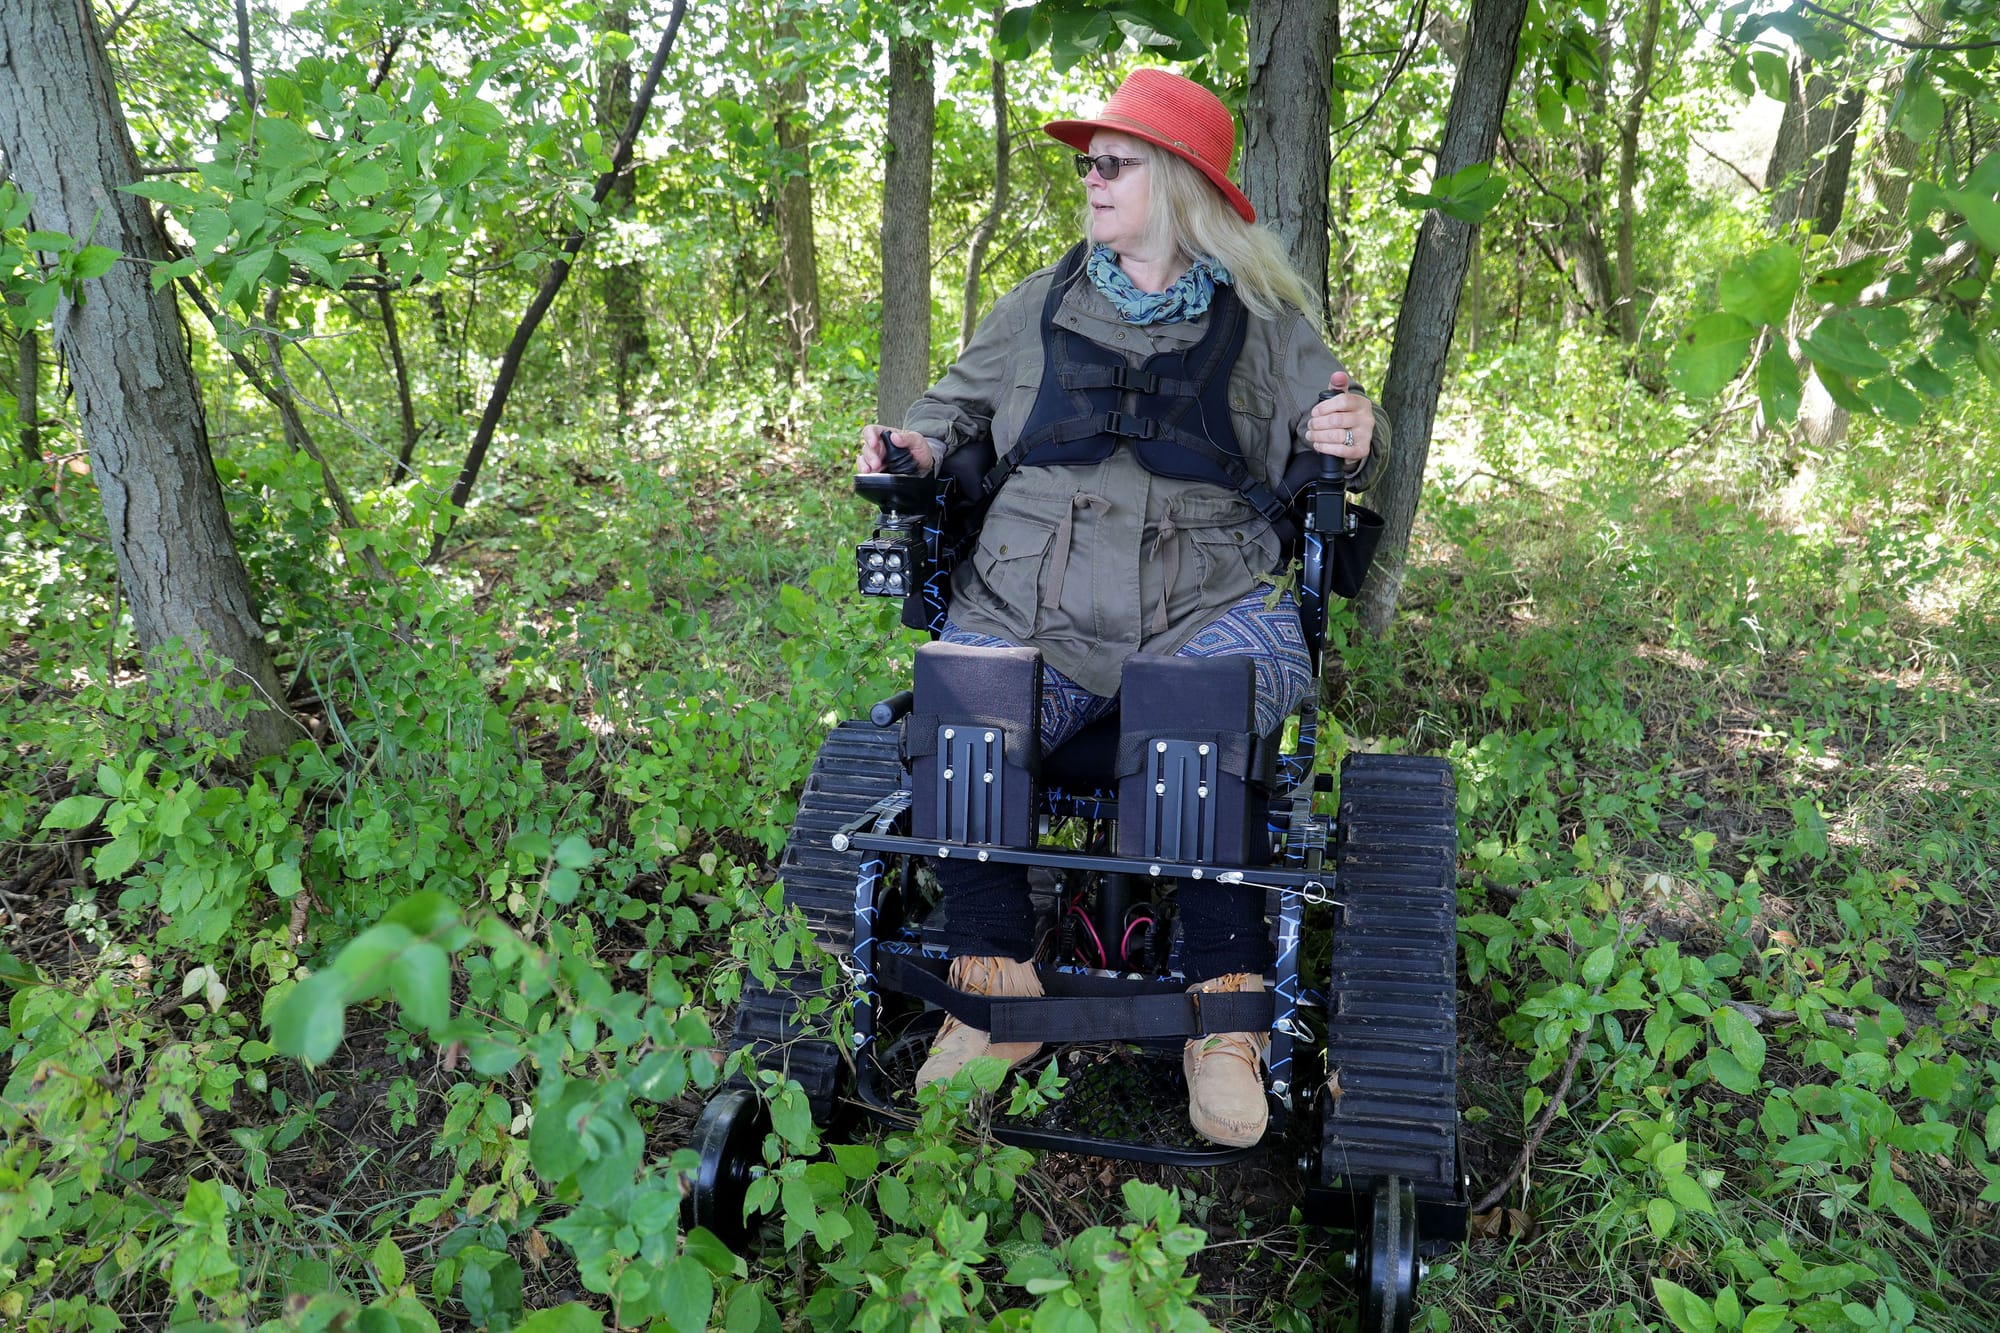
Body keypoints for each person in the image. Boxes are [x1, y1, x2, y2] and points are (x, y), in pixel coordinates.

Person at [854, 67, 1389, 1148]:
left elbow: (1341, 420)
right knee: (963, 698)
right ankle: (995, 995)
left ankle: (1223, 1020)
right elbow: (948, 412)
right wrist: (911, 445)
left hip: (1204, 597)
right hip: (1027, 594)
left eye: (1113, 163)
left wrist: (1355, 428)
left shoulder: (1265, 321)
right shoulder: (1041, 303)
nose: (1089, 180)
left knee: (1198, 702)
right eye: (1085, 163)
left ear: (1179, 182)